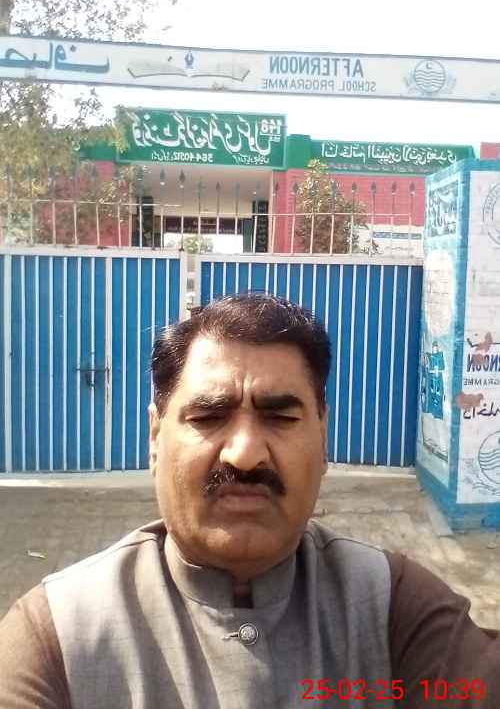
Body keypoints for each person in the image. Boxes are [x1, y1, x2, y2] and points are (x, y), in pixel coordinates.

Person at [0, 293, 498, 708]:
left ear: (323, 437)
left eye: (280, 417)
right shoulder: (56, 634)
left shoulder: (397, 609)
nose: (243, 454)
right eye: (208, 416)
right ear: (155, 438)